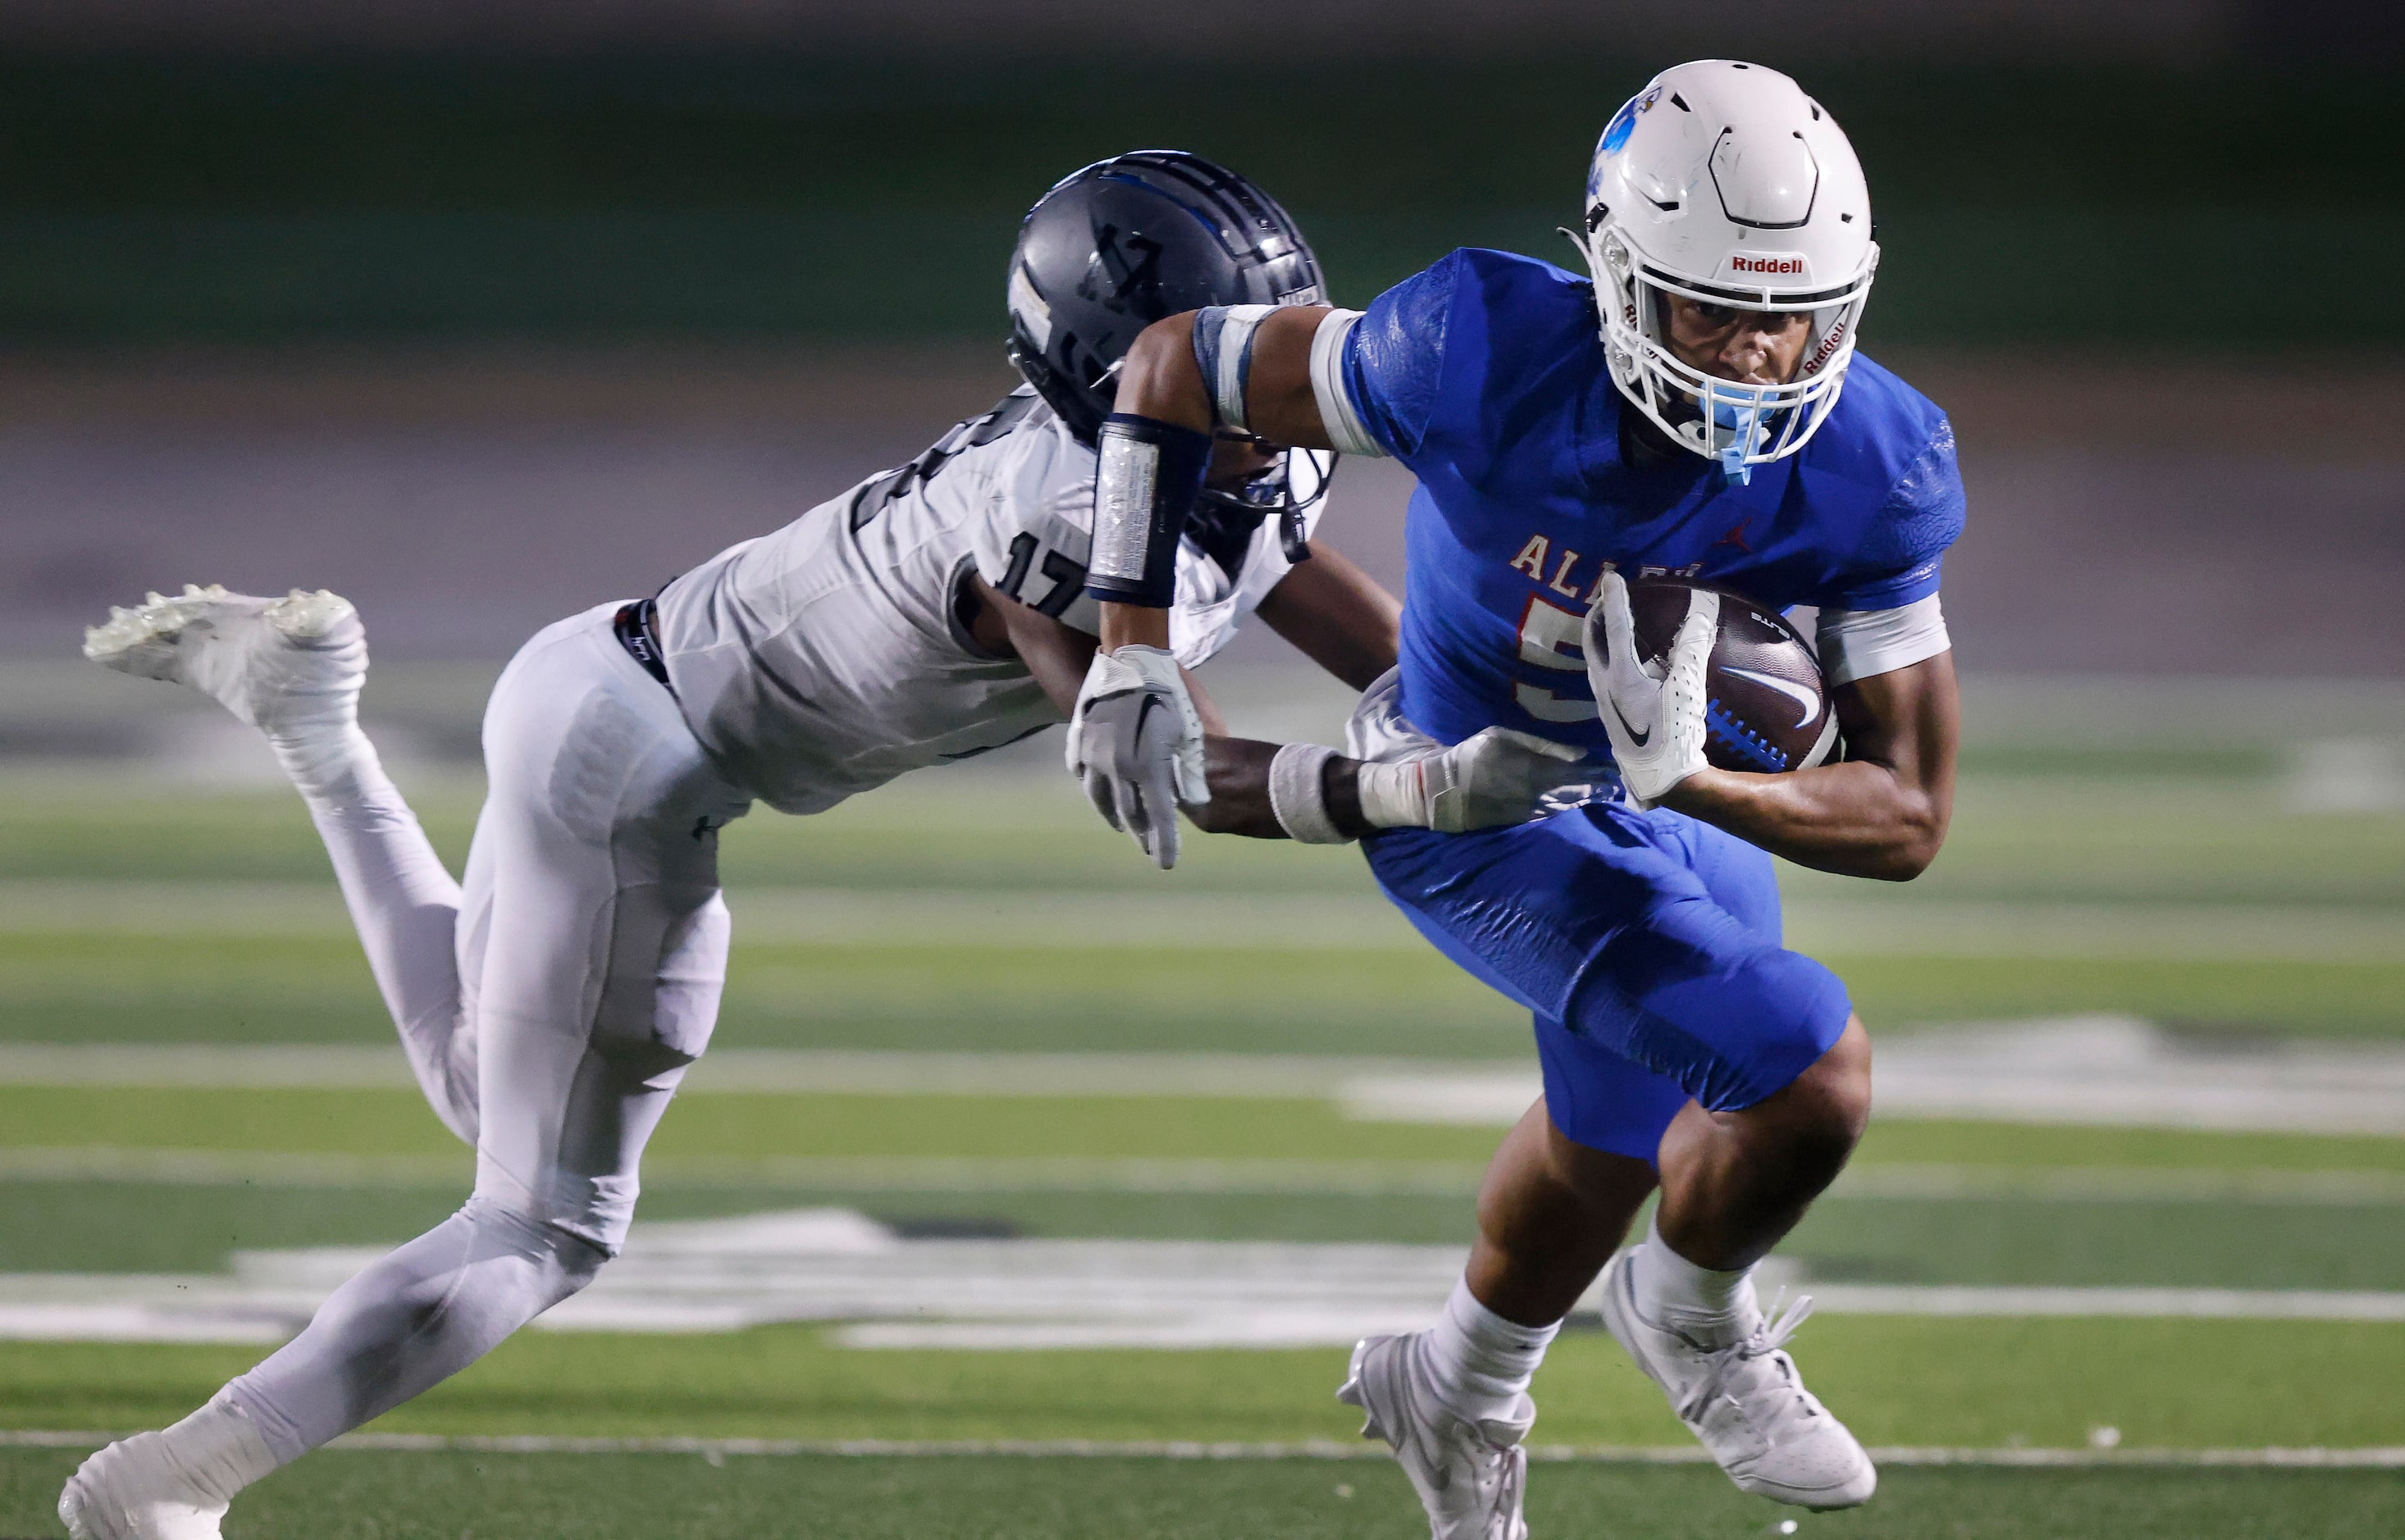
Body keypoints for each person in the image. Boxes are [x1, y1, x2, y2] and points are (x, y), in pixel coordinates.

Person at [57, 151, 1579, 1540]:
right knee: (540, 1222)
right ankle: (169, 1482)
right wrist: (1418, 789)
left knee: (488, 1082)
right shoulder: (1054, 522)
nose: (1274, 389)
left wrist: (1460, 708)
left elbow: (1305, 579)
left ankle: (315, 730)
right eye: (1230, 361)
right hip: (634, 754)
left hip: (621, 702)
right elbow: (1170, 764)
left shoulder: (1238, 445)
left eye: (1280, 341)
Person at [1072, 62, 1965, 1534]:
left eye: (1787, 317)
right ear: (1618, 275)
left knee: (1606, 1141)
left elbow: (1911, 818)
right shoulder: (1476, 346)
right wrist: (1127, 644)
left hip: (1665, 804)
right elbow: (1172, 362)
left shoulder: (1879, 461)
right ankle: (1691, 1312)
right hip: (1469, 804)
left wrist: (1695, 784)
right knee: (1809, 1068)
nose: (1753, 360)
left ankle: (1457, 1386)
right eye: (1710, 313)